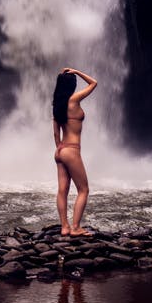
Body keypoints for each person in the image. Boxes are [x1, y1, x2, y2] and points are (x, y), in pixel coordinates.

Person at [52, 67, 97, 236]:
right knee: (83, 190)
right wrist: (77, 72)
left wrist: (60, 148)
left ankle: (64, 227)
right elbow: (94, 83)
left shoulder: (58, 105)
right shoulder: (74, 100)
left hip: (60, 151)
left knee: (62, 190)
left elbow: (56, 133)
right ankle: (76, 228)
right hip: (72, 150)